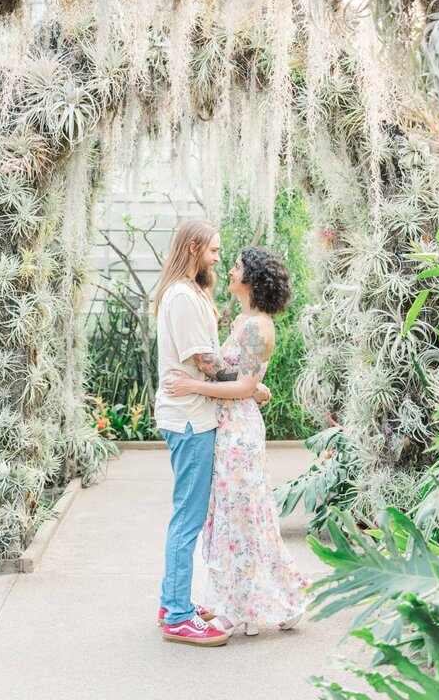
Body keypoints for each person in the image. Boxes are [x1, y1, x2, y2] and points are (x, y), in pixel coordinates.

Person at [164, 245, 308, 636]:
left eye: (238, 267)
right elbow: (243, 379)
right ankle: (266, 600)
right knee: (239, 515)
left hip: (239, 432)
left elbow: (242, 385)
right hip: (230, 425)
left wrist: (192, 384)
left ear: (252, 279)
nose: (230, 270)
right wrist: (255, 387)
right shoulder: (244, 322)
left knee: (241, 516)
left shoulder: (254, 326)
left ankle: (249, 604)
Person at [154, 219, 271, 647]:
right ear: (192, 250)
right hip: (189, 417)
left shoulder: (191, 295)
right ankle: (179, 618)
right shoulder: (183, 297)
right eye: (214, 251)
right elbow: (203, 360)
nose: (219, 260)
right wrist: (251, 387)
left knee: (188, 515)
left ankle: (172, 602)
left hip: (195, 415)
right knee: (187, 518)